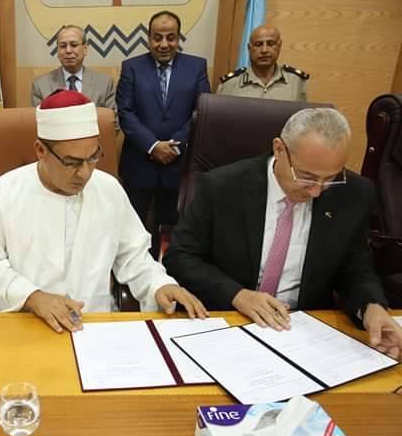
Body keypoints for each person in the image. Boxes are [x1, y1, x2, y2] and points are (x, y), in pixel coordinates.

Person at [164, 108, 402, 360]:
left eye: (331, 178)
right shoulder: (221, 186)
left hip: (305, 332)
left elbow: (356, 269)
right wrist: (237, 295)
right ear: (279, 149)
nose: (316, 192)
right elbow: (180, 257)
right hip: (229, 322)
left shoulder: (355, 194)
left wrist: (371, 307)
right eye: (307, 176)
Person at [0, 90, 207, 333]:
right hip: (27, 324)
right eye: (71, 162)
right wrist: (32, 297)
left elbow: (134, 257)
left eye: (93, 158)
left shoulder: (108, 189)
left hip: (93, 325)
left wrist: (160, 284)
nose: (85, 173)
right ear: (41, 150)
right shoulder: (5, 191)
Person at [116, 10, 210, 258]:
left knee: (175, 231)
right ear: (149, 38)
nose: (164, 44)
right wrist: (152, 146)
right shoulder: (131, 67)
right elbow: (125, 112)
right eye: (157, 37)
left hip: (179, 166)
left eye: (171, 37)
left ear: (179, 38)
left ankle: (169, 272)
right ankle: (135, 274)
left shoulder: (197, 67)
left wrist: (174, 146)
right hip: (140, 163)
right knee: (134, 230)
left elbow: (201, 111)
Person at [31, 24, 116, 114]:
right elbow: (38, 120)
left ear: (85, 49)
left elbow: (111, 119)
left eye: (74, 45)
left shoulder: (104, 83)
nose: (68, 50)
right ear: (57, 51)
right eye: (63, 46)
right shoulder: (40, 85)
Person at [217, 25, 308, 102]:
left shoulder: (296, 82)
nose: (264, 50)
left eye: (270, 44)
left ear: (279, 46)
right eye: (258, 44)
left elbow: (303, 117)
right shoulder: (230, 84)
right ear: (249, 48)